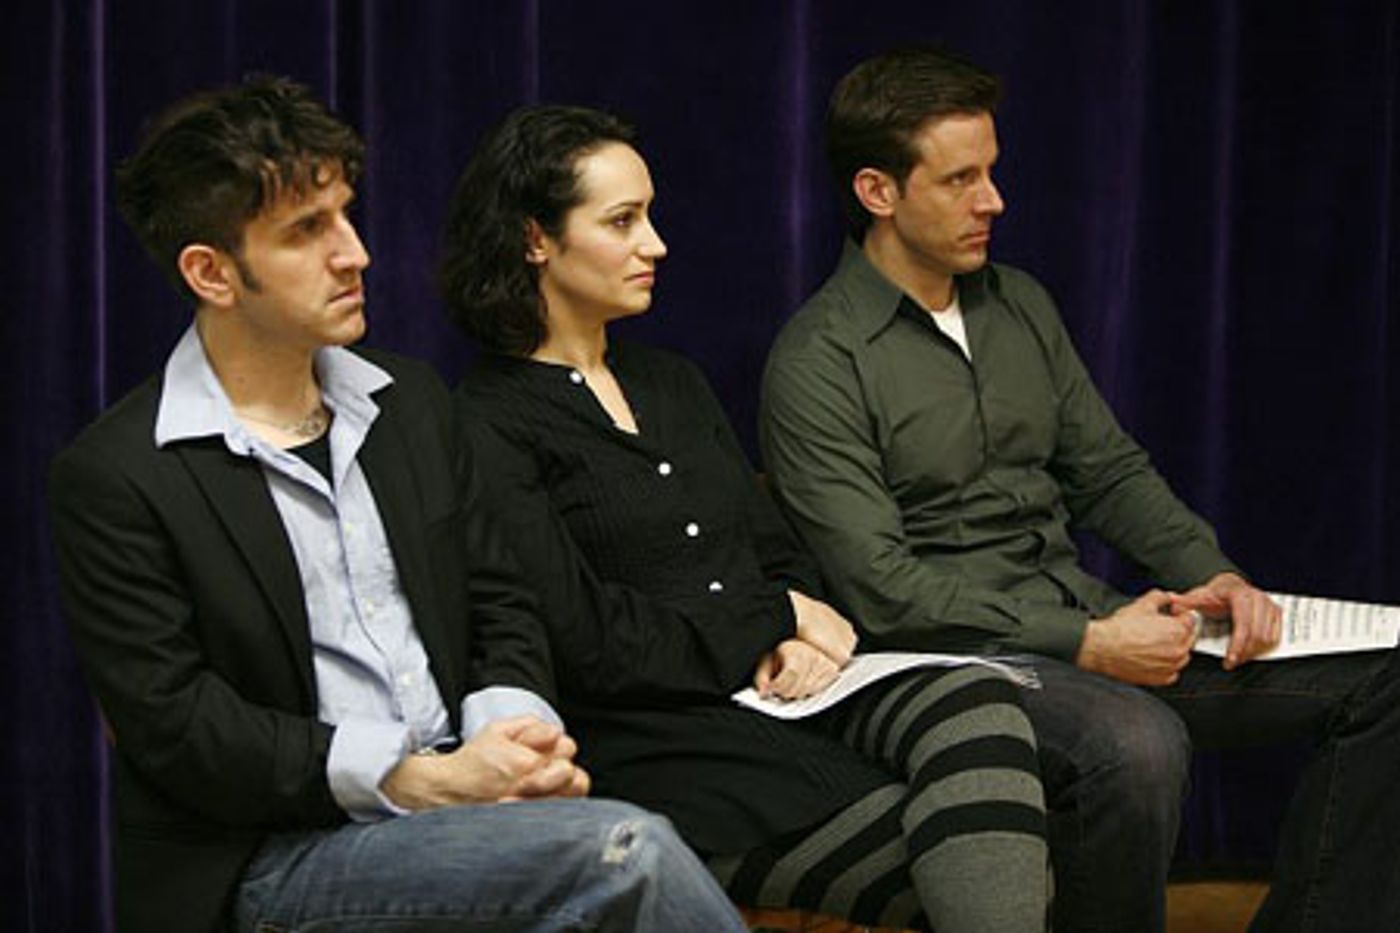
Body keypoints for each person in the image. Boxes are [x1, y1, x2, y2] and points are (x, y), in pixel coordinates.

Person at [48, 76, 746, 933]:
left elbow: (500, 599)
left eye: (345, 215)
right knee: (626, 855)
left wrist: (513, 740)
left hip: (463, 794)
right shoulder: (119, 474)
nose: (355, 253)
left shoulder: (410, 402)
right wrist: (416, 780)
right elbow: (181, 727)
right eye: (306, 231)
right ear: (212, 272)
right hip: (278, 850)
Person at [760, 46, 1400, 933]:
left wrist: (1215, 575)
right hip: (948, 660)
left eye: (992, 171)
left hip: (1085, 619)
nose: (993, 200)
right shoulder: (818, 359)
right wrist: (1089, 642)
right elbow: (882, 588)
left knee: (1384, 676)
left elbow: (1109, 472)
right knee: (1137, 744)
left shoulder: (1019, 303)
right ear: (878, 191)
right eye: (960, 179)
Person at [439, 103, 1052, 933]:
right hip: (662, 740)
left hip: (787, 688)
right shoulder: (486, 421)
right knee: (965, 854)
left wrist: (799, 627)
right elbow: (586, 642)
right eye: (622, 221)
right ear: (535, 239)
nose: (656, 244)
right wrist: (773, 618)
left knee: (977, 702)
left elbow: (774, 547)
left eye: (649, 215)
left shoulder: (671, 380)